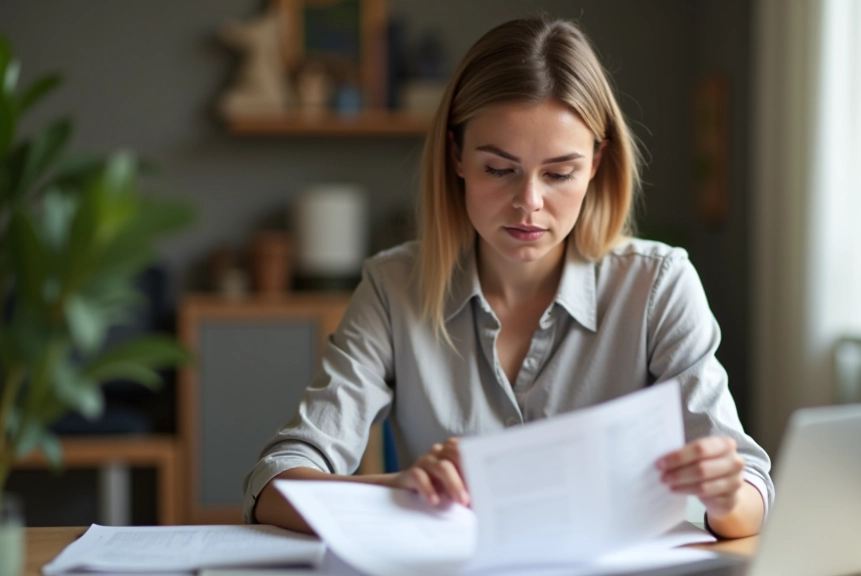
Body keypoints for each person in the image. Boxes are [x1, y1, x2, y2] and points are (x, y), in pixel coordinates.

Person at [243, 17, 772, 539]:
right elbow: (273, 483)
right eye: (499, 169)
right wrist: (395, 490)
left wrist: (725, 495)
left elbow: (750, 489)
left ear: (595, 163)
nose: (529, 203)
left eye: (560, 173)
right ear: (456, 155)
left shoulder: (659, 286)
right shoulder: (393, 288)